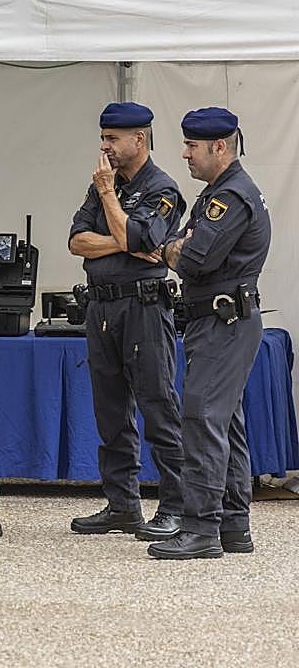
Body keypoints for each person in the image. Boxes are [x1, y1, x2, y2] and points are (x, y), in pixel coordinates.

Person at [149, 107, 270, 560]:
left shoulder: (230, 197)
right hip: (219, 321)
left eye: (192, 146)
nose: (185, 154)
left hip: (225, 322)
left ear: (220, 146)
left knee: (201, 420)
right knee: (224, 423)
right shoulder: (217, 193)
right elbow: (183, 246)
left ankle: (200, 528)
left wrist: (172, 249)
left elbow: (194, 258)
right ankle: (233, 526)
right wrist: (177, 247)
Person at [67, 102, 187, 541]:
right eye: (103, 138)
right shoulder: (103, 183)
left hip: (143, 308)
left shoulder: (162, 188)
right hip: (101, 308)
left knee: (158, 407)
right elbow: (76, 241)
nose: (105, 147)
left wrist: (110, 202)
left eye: (112, 139)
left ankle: (176, 506)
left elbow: (144, 237)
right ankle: (122, 505)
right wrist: (125, 241)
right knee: (111, 412)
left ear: (139, 139)